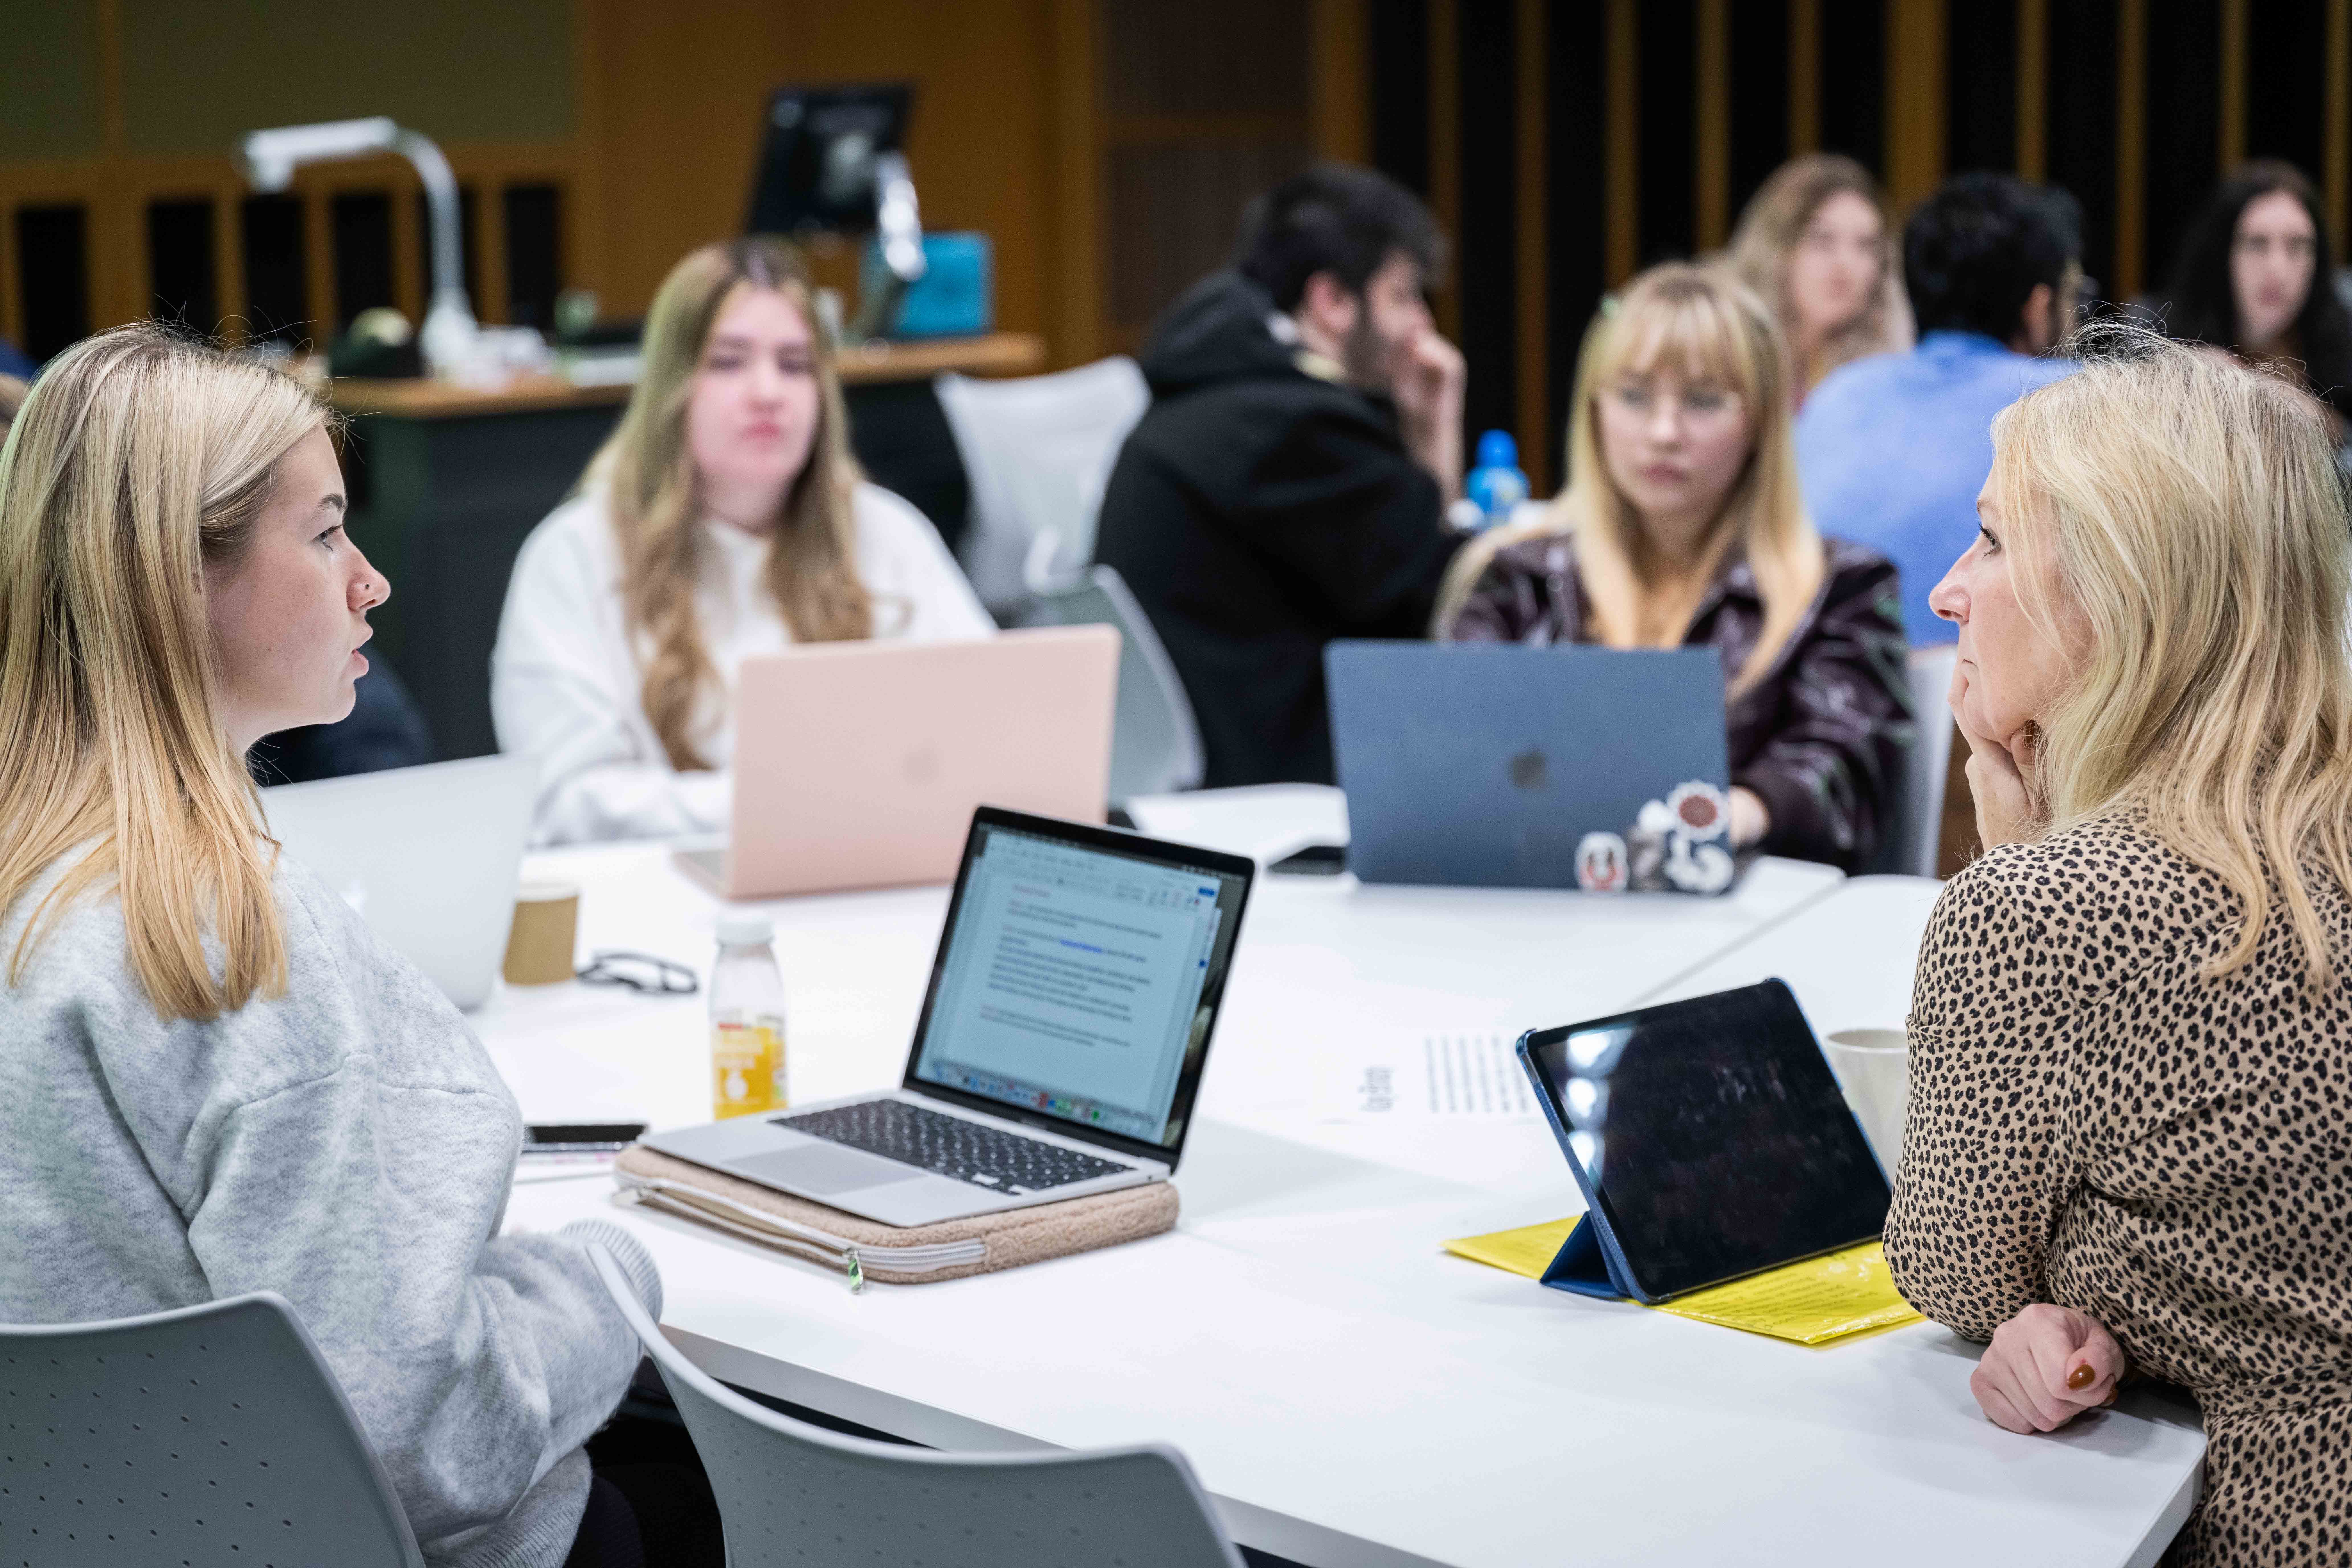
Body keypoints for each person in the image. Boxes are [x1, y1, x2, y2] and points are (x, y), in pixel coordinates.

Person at [0, 325, 711, 1568]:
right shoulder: (236, 950)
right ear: (178, 575)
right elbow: (417, 1443)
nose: (369, 580)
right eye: (326, 531)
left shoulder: (39, 896)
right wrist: (607, 1281)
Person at [1884, 328, 2352, 1566]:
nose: (1946, 590)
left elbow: (1950, 1267)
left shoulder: (2051, 915)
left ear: (2118, 592)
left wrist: (2016, 854)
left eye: (1988, 540)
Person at [493, 238, 992, 844]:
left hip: (869, 884)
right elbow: (566, 805)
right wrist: (793, 806)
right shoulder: (574, 553)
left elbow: (985, 740)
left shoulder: (886, 530)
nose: (768, 393)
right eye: (728, 362)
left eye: (795, 364)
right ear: (672, 388)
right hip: (658, 904)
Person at [1435, 263, 1908, 873]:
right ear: (1595, 411)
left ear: (1762, 422)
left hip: (1744, 924)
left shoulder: (1842, 587)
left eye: (1704, 401)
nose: (1664, 433)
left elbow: (1845, 765)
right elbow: (1449, 758)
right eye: (1634, 397)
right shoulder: (1515, 576)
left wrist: (1739, 811)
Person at [1094, 163, 1469, 788]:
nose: (1421, 325)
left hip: (1215, 744)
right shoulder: (1292, 428)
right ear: (1332, 301)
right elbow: (1445, 601)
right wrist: (1438, 430)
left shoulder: (1220, 385)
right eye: (1403, 295)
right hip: (1276, 767)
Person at [1795, 172, 2081, 644]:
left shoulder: (1836, 396)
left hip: (1834, 688)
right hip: (1997, 702)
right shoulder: (2076, 399)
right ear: (2038, 305)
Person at [2157, 159, 2352, 434]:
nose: (2278, 270)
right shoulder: (2161, 335)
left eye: (2298, 246)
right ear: (2222, 254)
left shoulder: (2339, 333)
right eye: (2257, 244)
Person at [1725, 153, 1913, 406]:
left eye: (1866, 245)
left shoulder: (1890, 369)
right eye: (1822, 239)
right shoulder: (1725, 354)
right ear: (1776, 249)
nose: (1846, 263)